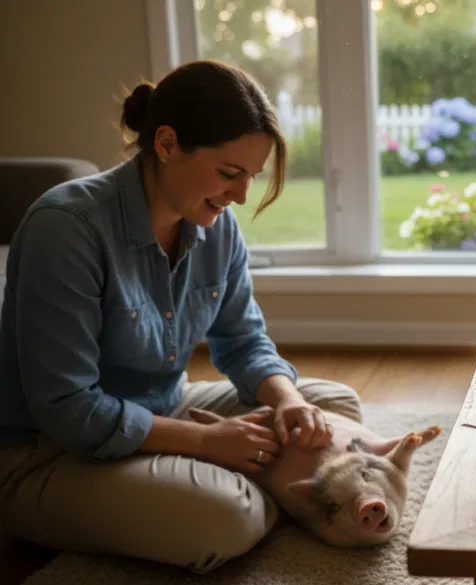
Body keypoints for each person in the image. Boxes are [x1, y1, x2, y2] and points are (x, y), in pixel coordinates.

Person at [0, 59, 363, 574]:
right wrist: (208, 443)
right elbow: (67, 409)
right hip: (48, 456)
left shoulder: (216, 224)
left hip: (162, 412)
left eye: (251, 178)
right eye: (229, 173)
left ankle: (243, 479)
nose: (240, 196)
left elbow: (243, 342)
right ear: (167, 144)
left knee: (330, 405)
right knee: (229, 516)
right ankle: (265, 489)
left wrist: (287, 400)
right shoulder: (67, 228)